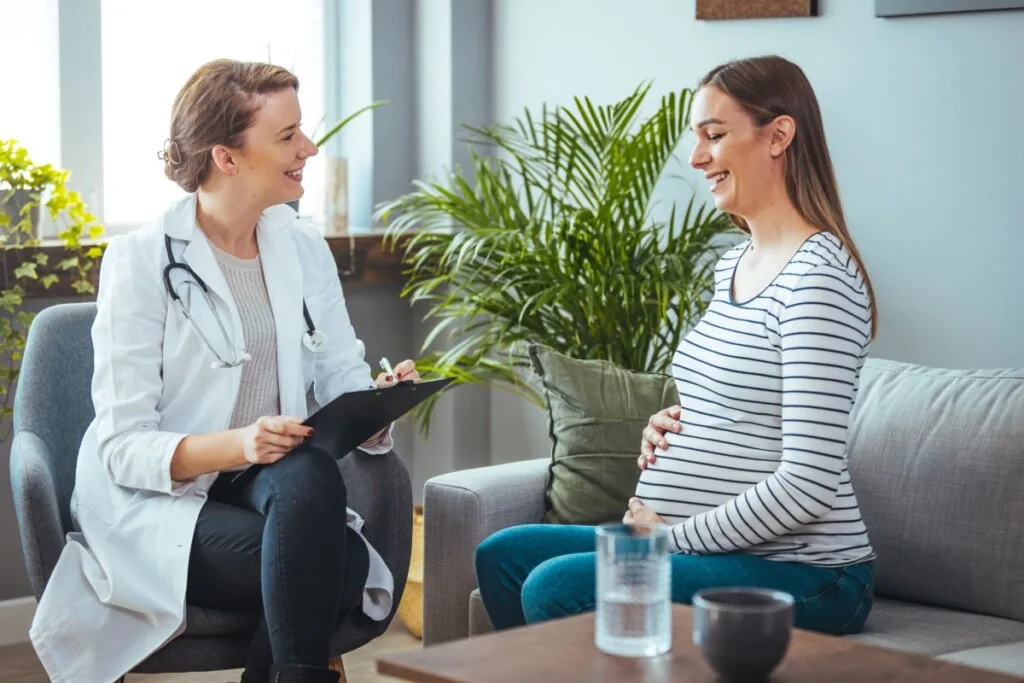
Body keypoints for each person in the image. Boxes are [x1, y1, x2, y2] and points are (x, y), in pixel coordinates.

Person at [28, 59, 419, 683]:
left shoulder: (302, 246)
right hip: (158, 500)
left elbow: (339, 377)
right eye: (288, 135)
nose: (309, 148)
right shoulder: (141, 260)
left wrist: (376, 408)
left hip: (273, 483)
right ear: (227, 157)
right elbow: (123, 447)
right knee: (336, 566)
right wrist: (242, 444)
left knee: (312, 475)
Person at [475, 55, 878, 636]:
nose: (696, 158)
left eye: (714, 136)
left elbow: (808, 484)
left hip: (808, 572)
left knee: (555, 586)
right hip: (717, 549)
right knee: (504, 555)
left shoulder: (819, 278)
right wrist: (678, 423)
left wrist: (668, 540)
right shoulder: (733, 263)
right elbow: (741, 404)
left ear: (779, 136)